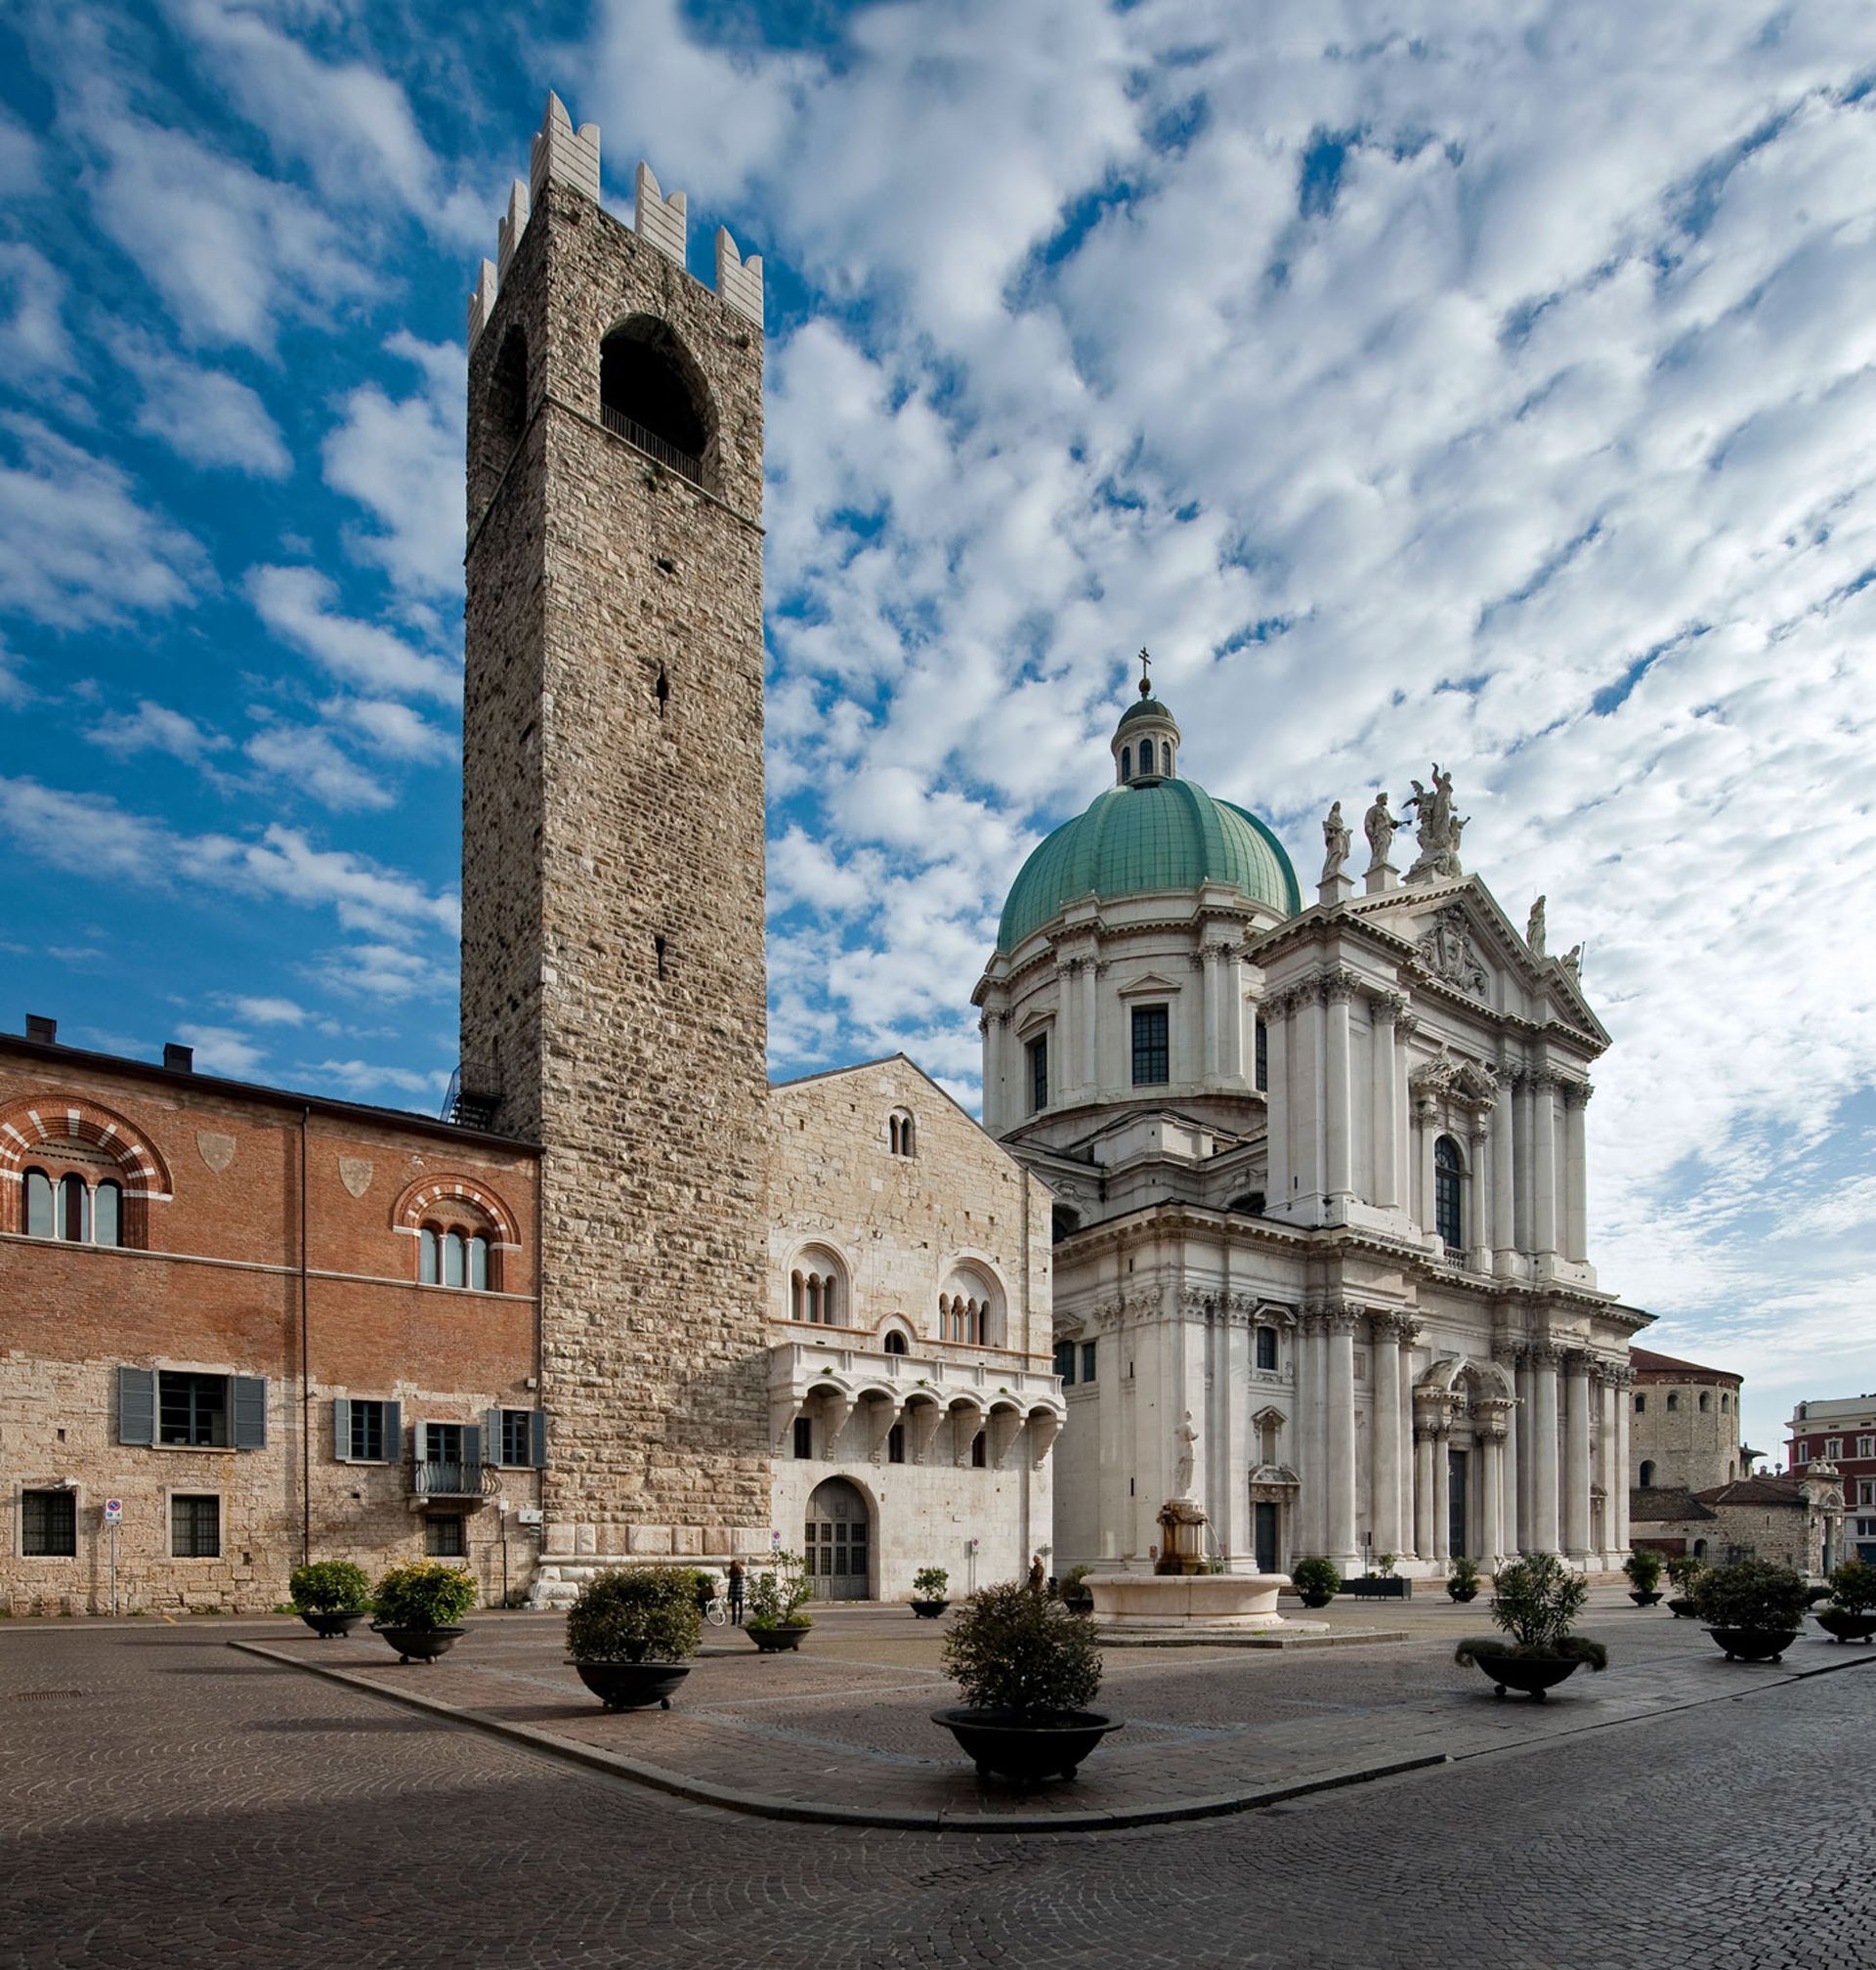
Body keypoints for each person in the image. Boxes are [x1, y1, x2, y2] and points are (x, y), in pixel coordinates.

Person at [726, 1558, 746, 1625]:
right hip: (740, 1593)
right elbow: (742, 1577)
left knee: (734, 1608)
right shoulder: (741, 1573)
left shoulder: (732, 1574)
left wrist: (728, 1595)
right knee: (740, 1607)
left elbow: (730, 1585)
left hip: (734, 1593)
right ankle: (740, 1620)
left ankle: (734, 1621)